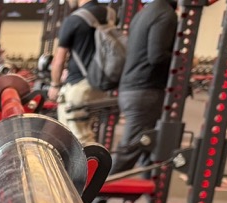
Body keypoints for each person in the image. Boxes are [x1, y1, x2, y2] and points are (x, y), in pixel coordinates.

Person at [111, 0, 178, 174]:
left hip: (134, 89)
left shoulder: (144, 13)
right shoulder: (166, 14)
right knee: (130, 150)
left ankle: (149, 197)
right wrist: (184, 59)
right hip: (144, 92)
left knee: (150, 145)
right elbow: (157, 56)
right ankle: (94, 197)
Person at [48, 0, 111, 145]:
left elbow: (59, 59)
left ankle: (90, 166)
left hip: (78, 88)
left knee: (76, 138)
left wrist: (55, 85)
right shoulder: (110, 15)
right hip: (100, 86)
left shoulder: (74, 20)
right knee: (86, 131)